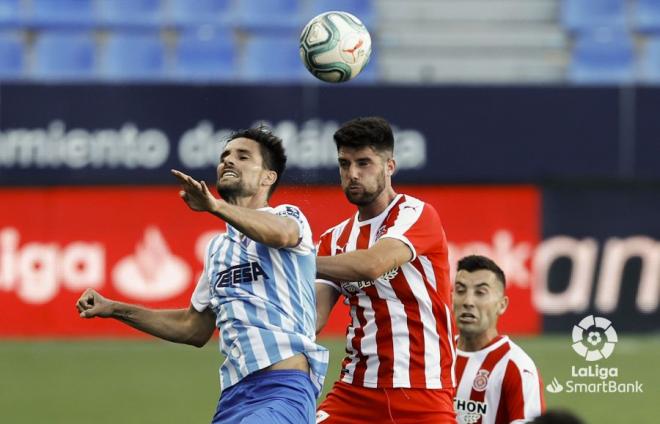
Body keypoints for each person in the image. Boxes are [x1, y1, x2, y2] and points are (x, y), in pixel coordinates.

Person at [76, 127, 328, 424]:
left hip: (283, 389)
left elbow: (282, 235)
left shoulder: (289, 216)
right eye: (225, 156)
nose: (228, 161)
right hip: (234, 397)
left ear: (267, 177)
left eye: (243, 156)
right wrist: (113, 308)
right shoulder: (218, 248)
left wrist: (215, 206)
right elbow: (193, 327)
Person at [314, 117, 457, 423]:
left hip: (422, 391)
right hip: (354, 393)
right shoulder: (333, 240)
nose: (352, 174)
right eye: (344, 164)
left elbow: (372, 265)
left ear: (389, 166)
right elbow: (311, 319)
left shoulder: (416, 214)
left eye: (364, 163)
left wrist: (294, 260)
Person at [453, 255, 545, 424]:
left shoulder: (517, 367)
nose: (468, 301)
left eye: (480, 293)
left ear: (502, 305)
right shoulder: (434, 354)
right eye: (460, 290)